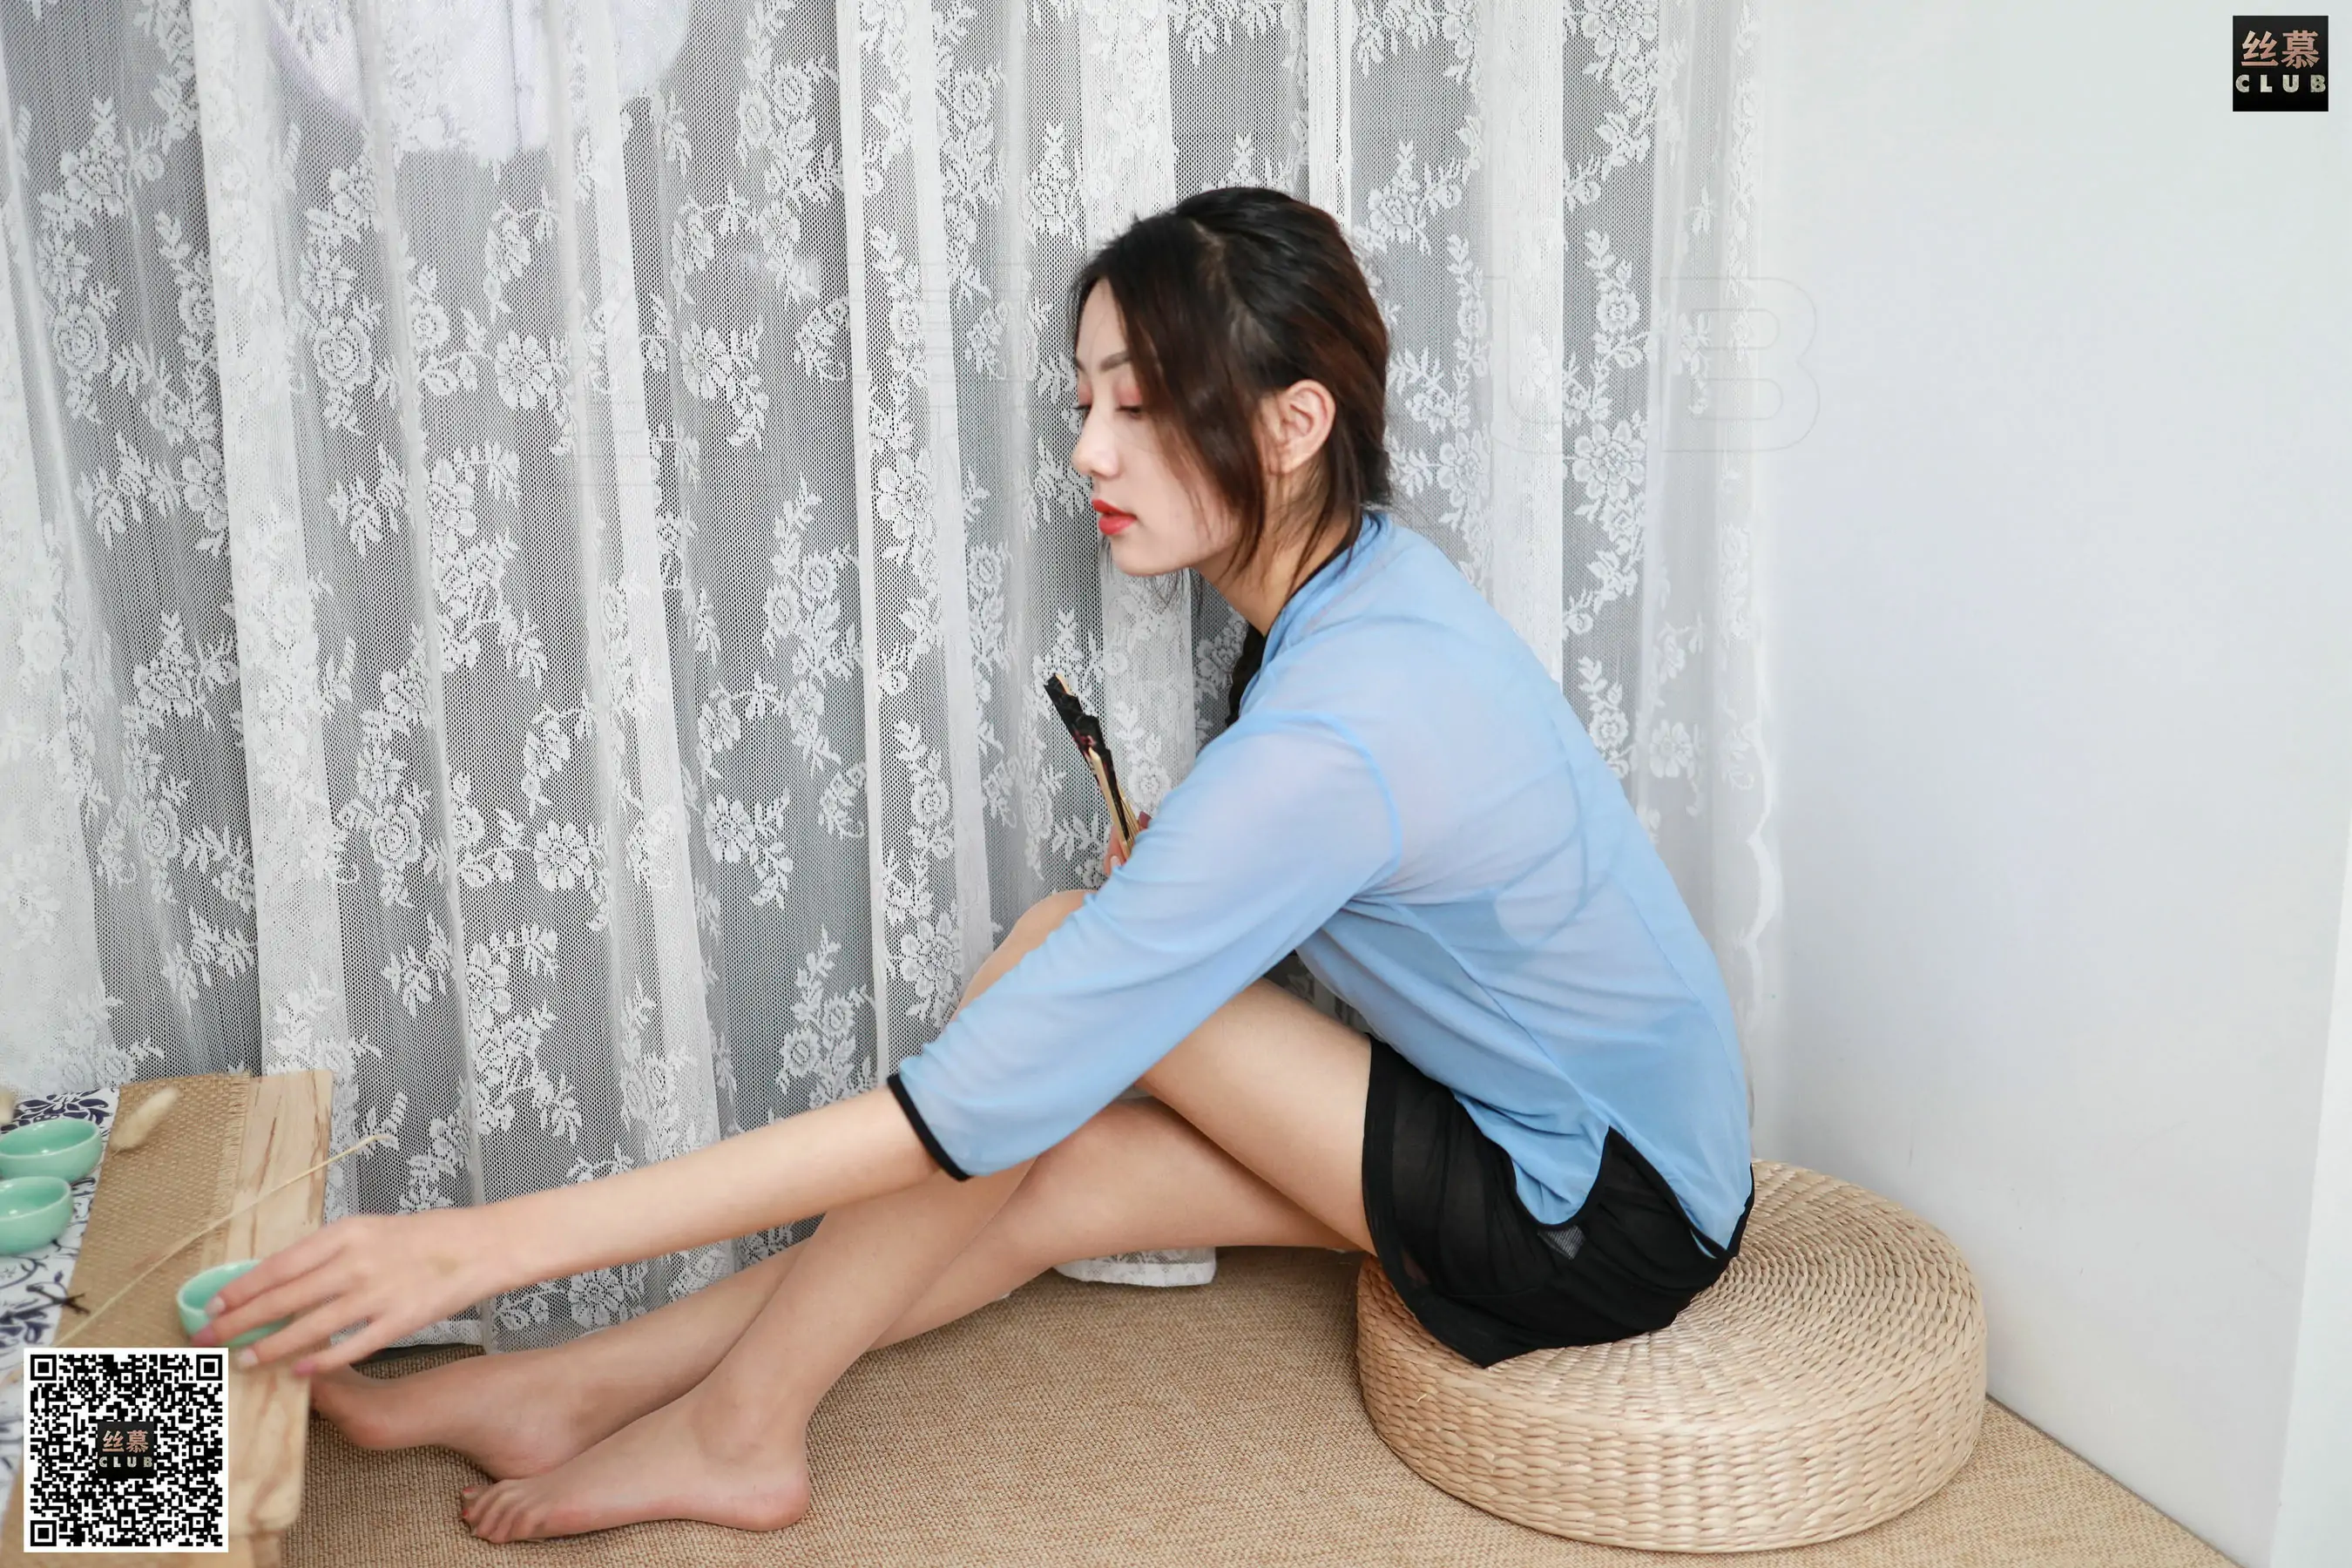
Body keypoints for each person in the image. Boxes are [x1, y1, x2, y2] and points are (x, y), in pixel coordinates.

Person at [190, 186, 1754, 1544]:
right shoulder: (1369, 593)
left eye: (1140, 405)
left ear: (1295, 425)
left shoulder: (1341, 719)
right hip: (1566, 1124)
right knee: (1058, 1159)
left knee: (1046, 992)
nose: (1089, 449)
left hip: (1594, 1206)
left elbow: (956, 1106)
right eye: (1086, 401)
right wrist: (1191, 885)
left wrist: (482, 1242)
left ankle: (728, 1428)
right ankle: (587, 1392)